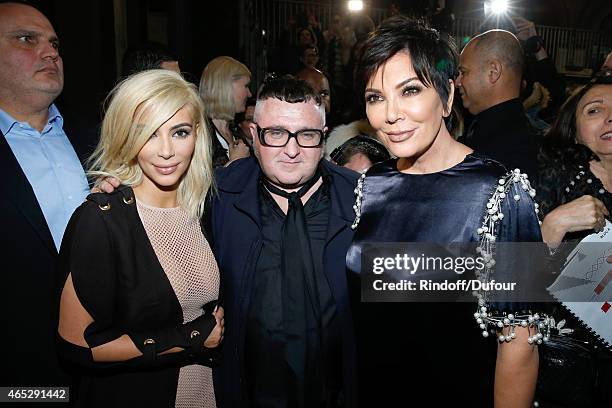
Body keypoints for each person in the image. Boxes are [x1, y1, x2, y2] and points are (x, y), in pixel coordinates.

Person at [349, 16, 546, 406]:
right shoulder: (371, 185)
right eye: (375, 97)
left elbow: (519, 345)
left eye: (410, 91)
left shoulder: (503, 192)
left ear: (448, 97)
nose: (390, 114)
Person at [57, 70, 223, 407]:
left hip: (204, 391)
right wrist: (190, 338)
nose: (166, 151)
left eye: (180, 132)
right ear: (126, 137)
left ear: (197, 136)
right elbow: (78, 346)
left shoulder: (206, 209)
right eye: (148, 133)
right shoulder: (102, 221)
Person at [210, 75, 358, 407]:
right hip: (247, 393)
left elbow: (415, 295)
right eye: (276, 134)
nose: (291, 150)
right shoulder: (216, 197)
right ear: (253, 135)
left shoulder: (363, 199)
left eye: (306, 136)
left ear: (323, 139)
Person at [0, 1, 94, 387]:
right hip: (21, 373)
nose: (51, 52)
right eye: (27, 39)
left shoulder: (99, 139)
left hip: (110, 362)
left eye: (54, 43)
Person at [534, 72, 612, 407]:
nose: (610, 117)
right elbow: (506, 276)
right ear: (574, 129)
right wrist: (553, 225)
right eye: (594, 110)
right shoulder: (555, 180)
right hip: (566, 367)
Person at [456, 29, 539, 179]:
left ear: (493, 72)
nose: (457, 82)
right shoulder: (501, 132)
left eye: (464, 72)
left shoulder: (510, 148)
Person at [199, 56, 252, 167]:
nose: (249, 94)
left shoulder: (236, 132)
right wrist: (234, 163)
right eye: (246, 86)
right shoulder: (201, 134)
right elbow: (200, 182)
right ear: (227, 86)